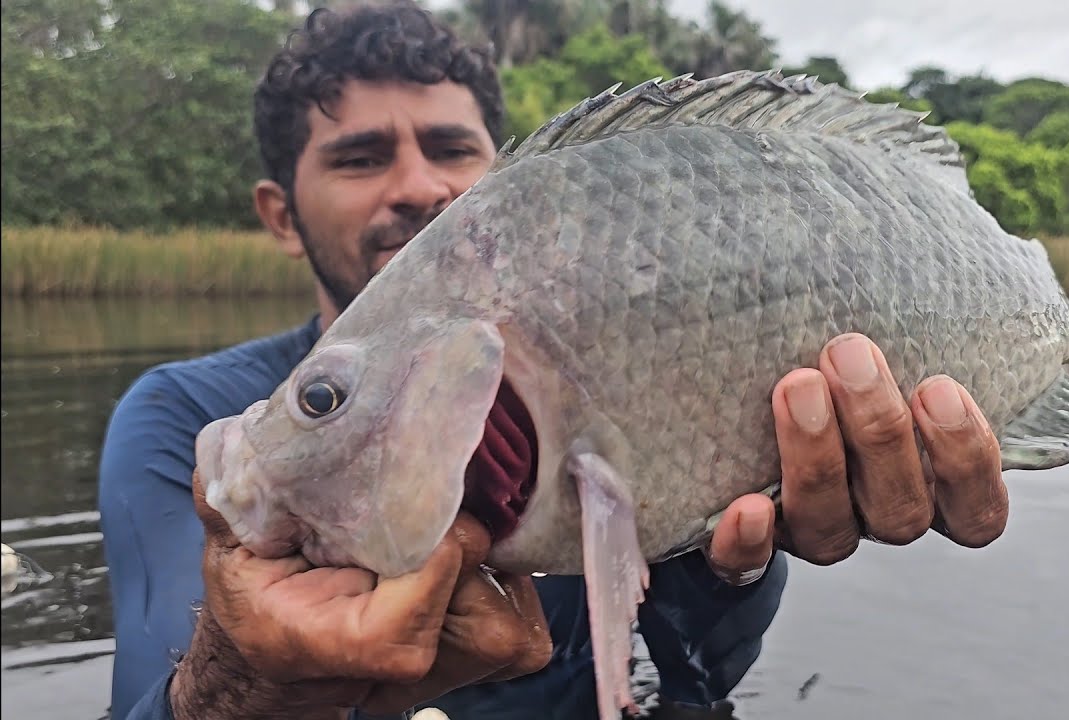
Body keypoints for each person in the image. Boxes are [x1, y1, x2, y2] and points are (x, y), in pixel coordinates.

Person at [97, 3, 1011, 719]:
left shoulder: (608, 336)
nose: (419, 186)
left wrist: (728, 563)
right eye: (361, 157)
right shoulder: (179, 413)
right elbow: (152, 684)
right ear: (278, 213)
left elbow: (692, 679)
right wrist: (250, 679)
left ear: (500, 175)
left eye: (453, 148)